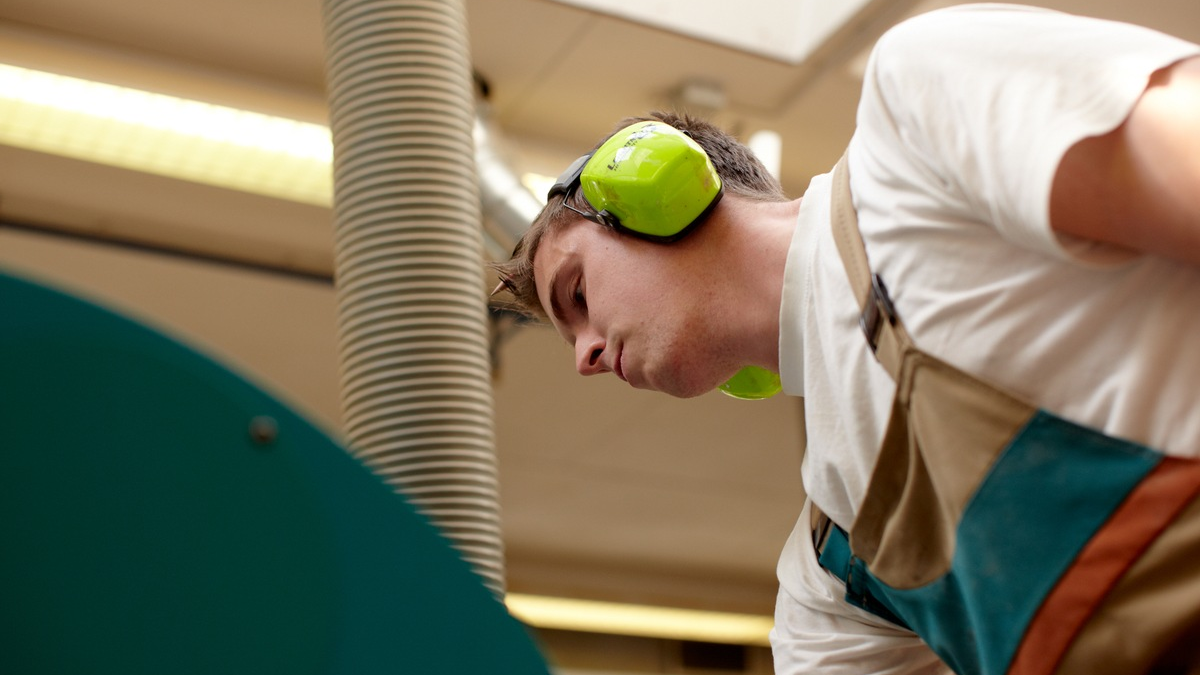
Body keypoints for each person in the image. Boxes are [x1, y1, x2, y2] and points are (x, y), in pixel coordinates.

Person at [491, 4, 1200, 673]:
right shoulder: (827, 580)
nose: (584, 357)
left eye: (577, 294)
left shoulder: (916, 118)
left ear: (651, 183)